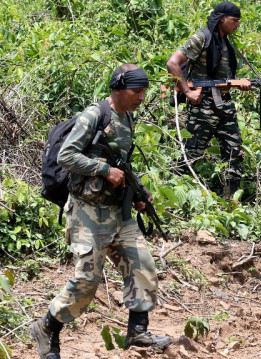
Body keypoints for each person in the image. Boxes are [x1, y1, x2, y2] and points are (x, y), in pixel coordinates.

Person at [31, 64, 172, 359]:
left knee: (142, 266)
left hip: (116, 211)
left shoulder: (128, 117)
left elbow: (122, 162)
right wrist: (104, 169)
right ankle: (47, 328)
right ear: (118, 89)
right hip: (87, 212)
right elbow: (66, 155)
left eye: (145, 90)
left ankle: (137, 332)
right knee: (86, 282)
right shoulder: (94, 115)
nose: (142, 96)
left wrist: (137, 192)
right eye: (137, 90)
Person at [167, 1, 252, 198]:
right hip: (203, 103)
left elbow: (223, 78)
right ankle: (174, 195)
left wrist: (240, 83)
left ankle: (231, 200)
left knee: (234, 151)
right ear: (222, 18)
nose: (237, 24)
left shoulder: (226, 42)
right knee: (192, 153)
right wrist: (188, 92)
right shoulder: (202, 37)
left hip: (224, 103)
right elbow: (173, 63)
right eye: (235, 20)